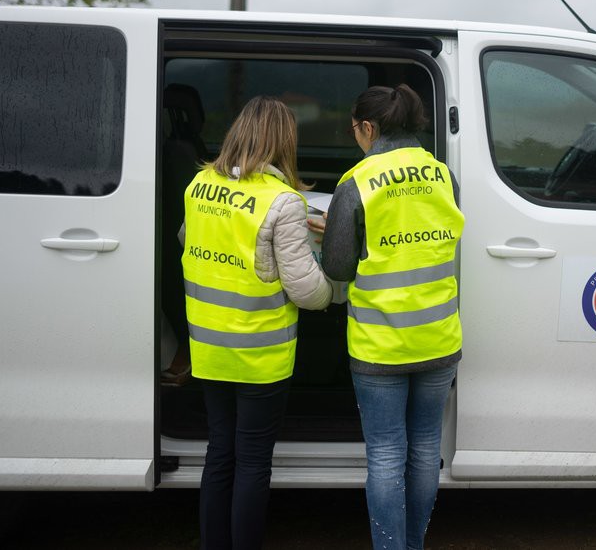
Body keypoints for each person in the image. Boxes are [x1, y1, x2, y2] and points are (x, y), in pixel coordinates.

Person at [314, 84, 464, 550]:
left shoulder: (356, 182)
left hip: (380, 344)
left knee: (384, 456)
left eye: (354, 128)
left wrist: (328, 233)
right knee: (424, 453)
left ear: (368, 127)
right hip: (438, 340)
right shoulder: (443, 176)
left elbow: (338, 268)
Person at [181, 97, 332, 549]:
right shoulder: (283, 201)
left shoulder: (198, 185)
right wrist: (337, 282)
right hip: (260, 354)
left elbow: (189, 244)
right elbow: (305, 291)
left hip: (208, 348)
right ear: (283, 140)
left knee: (219, 454)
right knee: (251, 462)